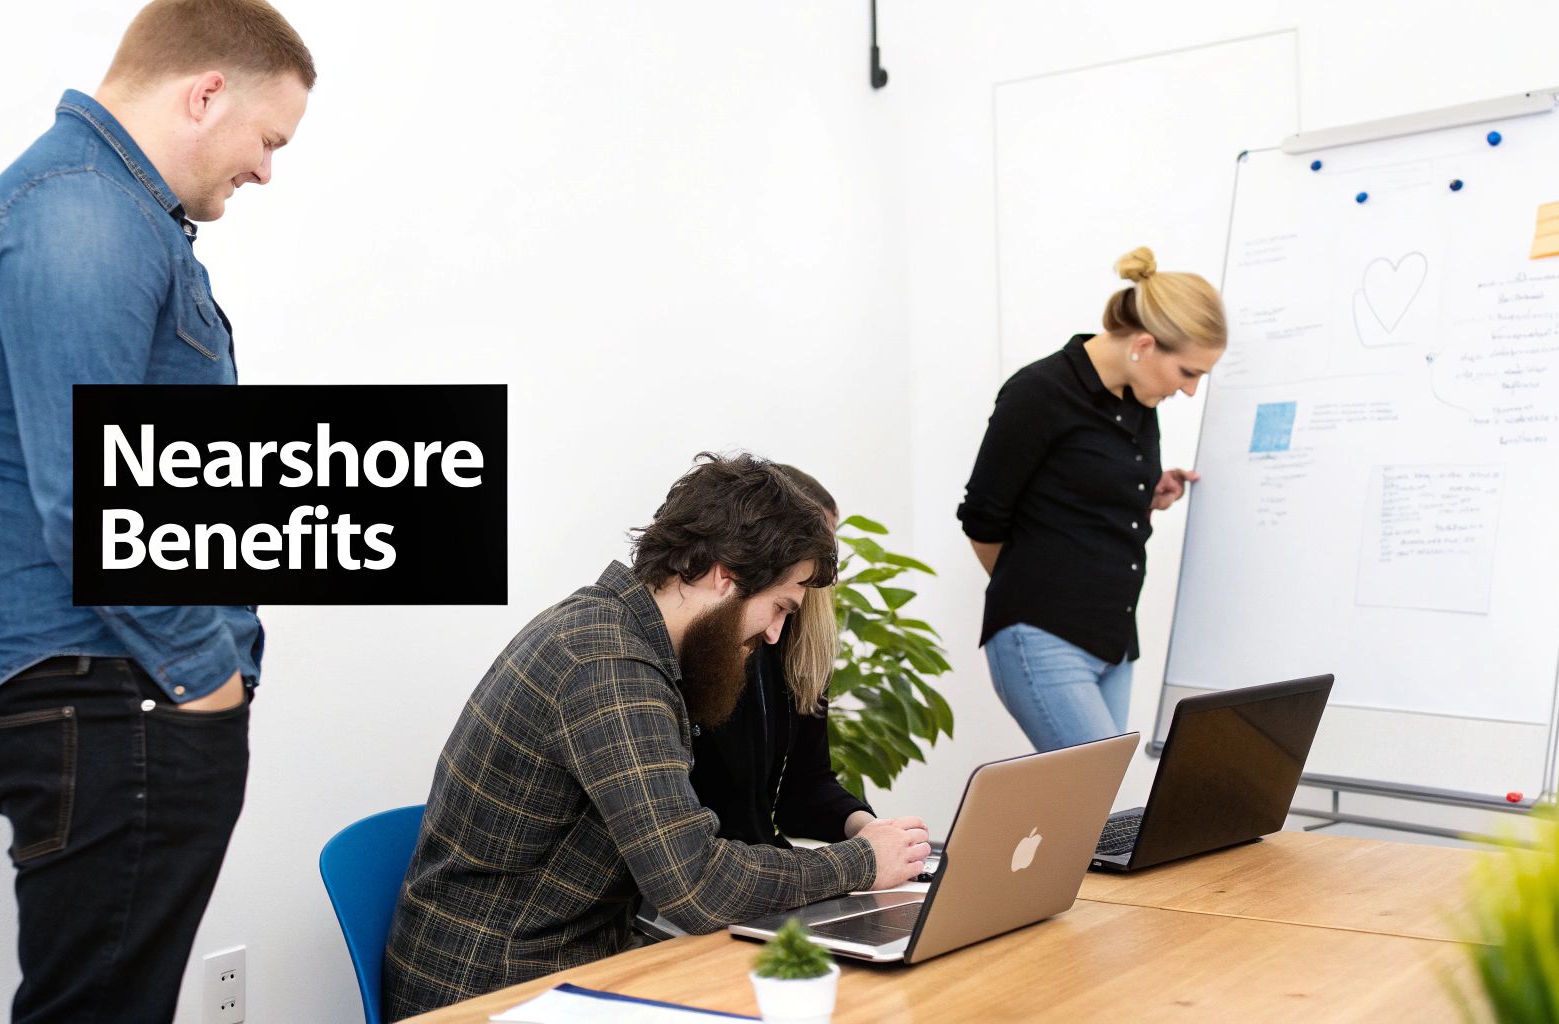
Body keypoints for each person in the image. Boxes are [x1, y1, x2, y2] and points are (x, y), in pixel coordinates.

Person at [0, 2, 313, 1019]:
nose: (266, 170)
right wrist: (205, 682)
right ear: (205, 93)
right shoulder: (82, 213)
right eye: (267, 140)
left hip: (114, 691)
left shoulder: (99, 209)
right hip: (108, 692)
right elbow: (93, 495)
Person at [383, 453, 929, 1020]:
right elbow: (696, 887)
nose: (774, 634)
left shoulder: (622, 636)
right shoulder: (607, 664)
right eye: (779, 608)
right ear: (726, 576)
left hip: (576, 959)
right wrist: (862, 862)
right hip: (490, 989)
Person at [957, 246, 1227, 751]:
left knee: (1084, 811)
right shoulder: (1039, 392)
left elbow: (1080, 500)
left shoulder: (1139, 399)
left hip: (1114, 639)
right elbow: (981, 519)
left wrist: (1146, 492)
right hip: (1044, 633)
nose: (1190, 390)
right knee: (1097, 803)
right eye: (1188, 373)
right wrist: (1043, 594)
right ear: (1144, 345)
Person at [687, 465, 903, 848]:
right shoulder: (700, 645)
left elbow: (805, 789)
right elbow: (686, 861)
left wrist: (867, 830)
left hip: (757, 872)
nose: (823, 572)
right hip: (719, 879)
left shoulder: (795, 647)